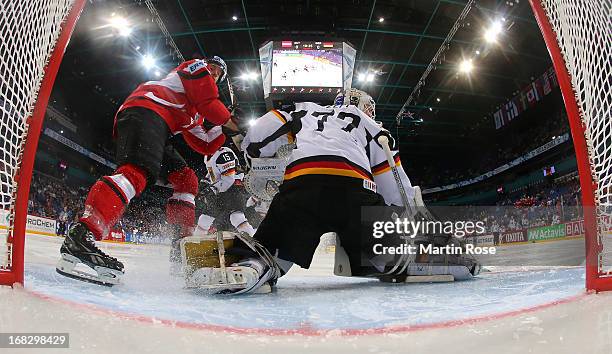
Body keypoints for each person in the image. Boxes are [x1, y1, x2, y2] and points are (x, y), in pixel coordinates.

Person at [203, 88, 479, 294]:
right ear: (362, 106)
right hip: (355, 190)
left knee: (275, 255)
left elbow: (257, 139)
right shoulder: (371, 125)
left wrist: (250, 148)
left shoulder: (304, 109)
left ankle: (250, 268)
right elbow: (398, 194)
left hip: (302, 185)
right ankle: (454, 262)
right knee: (388, 257)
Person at [56, 56, 240, 286]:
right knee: (136, 172)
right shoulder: (196, 68)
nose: (212, 73)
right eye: (213, 69)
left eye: (217, 73)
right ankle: (81, 236)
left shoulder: (195, 110)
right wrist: (229, 119)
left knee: (187, 180)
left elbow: (204, 143)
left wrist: (225, 130)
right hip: (145, 111)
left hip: (158, 127)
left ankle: (179, 248)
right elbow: (209, 101)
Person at [194, 145, 256, 237]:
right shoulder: (210, 154)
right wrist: (206, 181)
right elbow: (213, 172)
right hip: (221, 191)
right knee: (205, 218)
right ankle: (196, 241)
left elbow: (229, 179)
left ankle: (252, 238)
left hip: (233, 189)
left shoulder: (223, 154)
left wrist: (212, 189)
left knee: (236, 216)